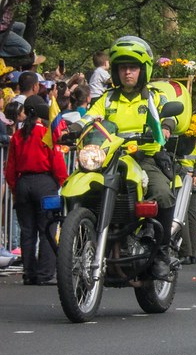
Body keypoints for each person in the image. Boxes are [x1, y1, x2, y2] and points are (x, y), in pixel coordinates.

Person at [86, 36, 177, 279]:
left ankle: (161, 254)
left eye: (133, 67)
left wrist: (166, 126)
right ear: (115, 71)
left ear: (142, 70)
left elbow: (169, 115)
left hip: (145, 159)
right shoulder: (107, 98)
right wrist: (72, 128)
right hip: (109, 159)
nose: (127, 72)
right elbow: (89, 118)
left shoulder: (153, 96)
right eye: (123, 68)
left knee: (162, 193)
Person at [5, 95, 68, 285]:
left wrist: (15, 188)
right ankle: (45, 273)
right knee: (47, 228)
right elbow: (56, 161)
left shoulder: (18, 136)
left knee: (27, 231)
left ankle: (29, 272)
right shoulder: (46, 134)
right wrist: (61, 181)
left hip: (23, 183)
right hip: (44, 183)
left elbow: (10, 168)